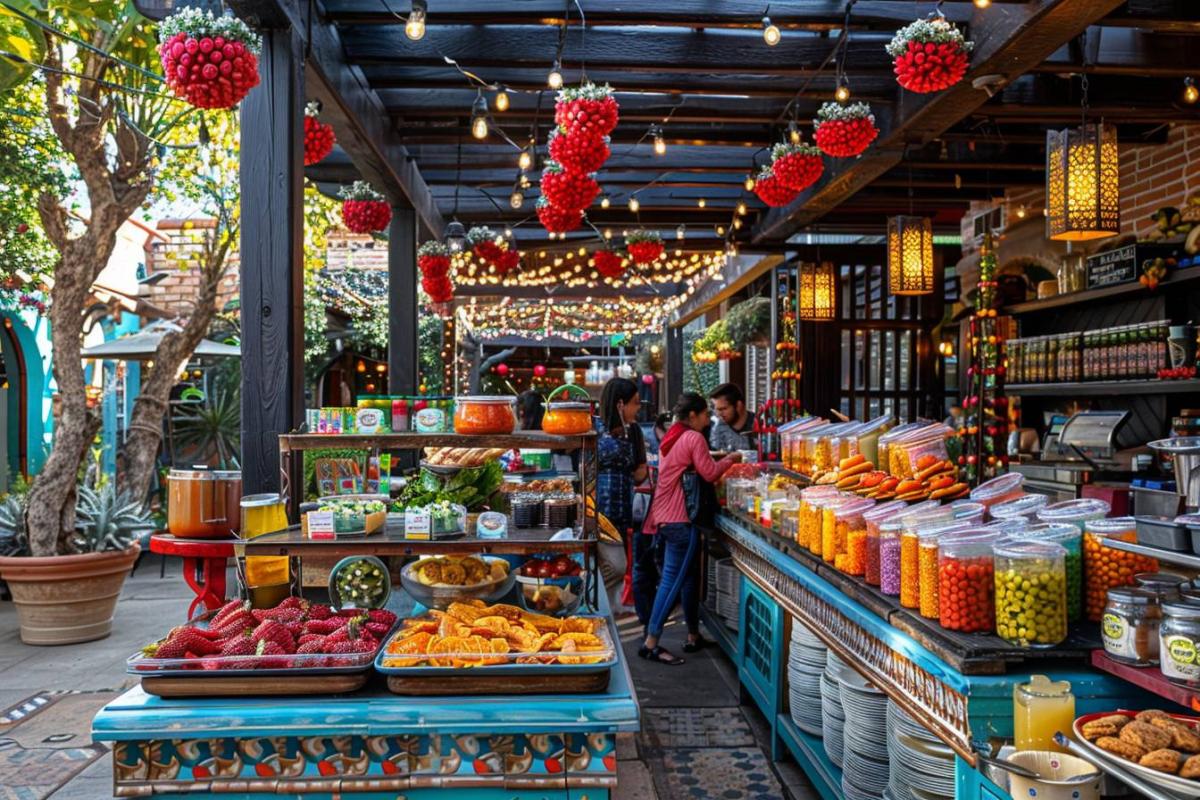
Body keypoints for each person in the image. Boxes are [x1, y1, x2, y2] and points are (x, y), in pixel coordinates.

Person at [638, 392, 740, 665]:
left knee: (689, 577)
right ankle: (651, 641)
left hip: (664, 516)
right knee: (672, 581)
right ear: (693, 415)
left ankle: (693, 633)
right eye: (706, 414)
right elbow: (709, 473)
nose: (708, 420)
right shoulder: (693, 437)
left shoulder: (671, 435)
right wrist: (731, 459)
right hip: (680, 518)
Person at [596, 378, 648, 539]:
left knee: (619, 559)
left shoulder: (634, 431)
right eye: (635, 402)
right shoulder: (593, 429)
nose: (638, 408)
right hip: (596, 513)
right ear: (620, 404)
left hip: (624, 511)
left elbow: (641, 470)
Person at [708, 383, 756, 452]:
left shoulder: (759, 425)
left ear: (738, 405)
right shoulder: (716, 426)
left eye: (723, 409)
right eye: (716, 409)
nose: (718, 414)